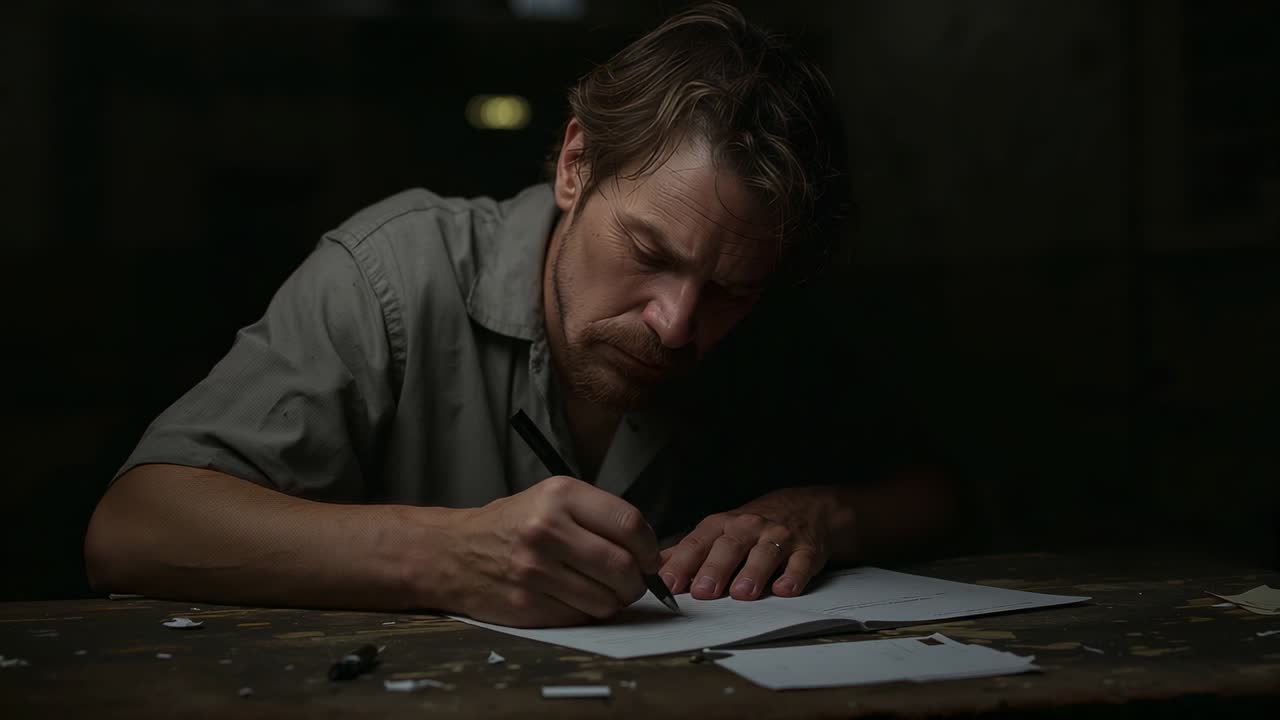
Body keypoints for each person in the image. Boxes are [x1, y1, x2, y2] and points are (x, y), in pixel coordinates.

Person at [84, 2, 954, 628]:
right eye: (649, 254)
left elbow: (938, 495)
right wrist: (446, 556)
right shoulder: (391, 274)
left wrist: (822, 514)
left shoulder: (773, 312)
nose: (678, 323)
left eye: (729, 289)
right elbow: (132, 529)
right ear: (575, 164)